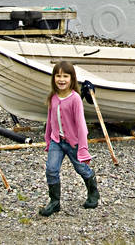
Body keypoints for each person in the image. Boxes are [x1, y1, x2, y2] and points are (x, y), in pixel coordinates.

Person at [39, 61, 100, 216]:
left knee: (81, 168)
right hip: (57, 141)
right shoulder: (52, 97)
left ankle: (93, 193)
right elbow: (50, 120)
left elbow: (81, 125)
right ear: (53, 78)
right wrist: (48, 139)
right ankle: (54, 202)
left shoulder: (75, 99)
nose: (61, 79)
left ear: (72, 78)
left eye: (65, 76)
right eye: (58, 76)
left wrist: (83, 149)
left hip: (73, 143)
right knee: (51, 169)